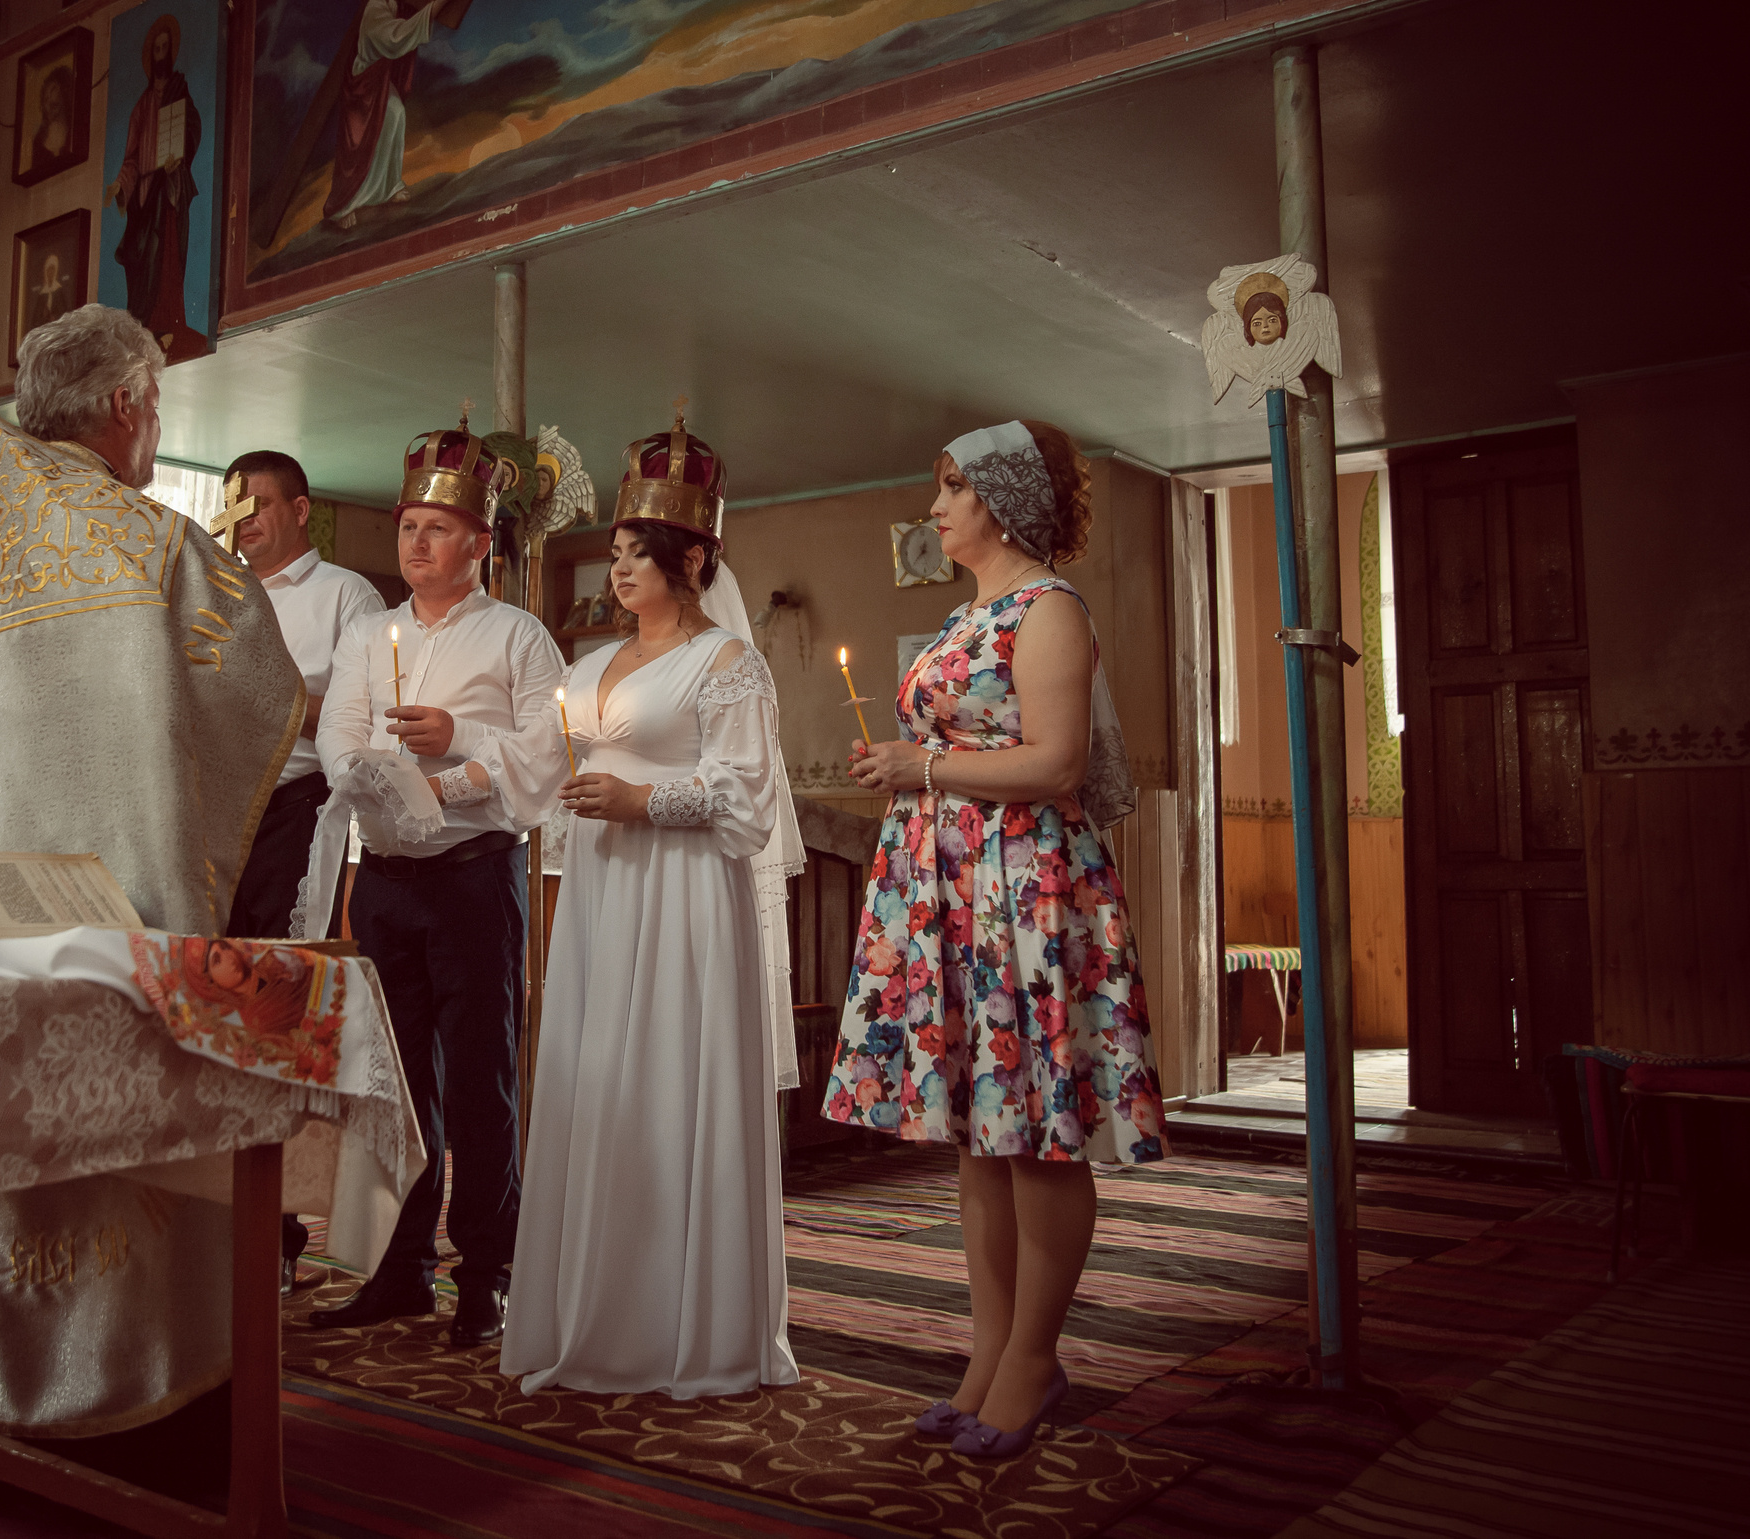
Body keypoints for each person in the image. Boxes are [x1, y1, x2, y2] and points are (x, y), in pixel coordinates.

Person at [0, 302, 306, 1445]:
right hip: (117, 935)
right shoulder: (156, 545)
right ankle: (128, 1398)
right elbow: (262, 692)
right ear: (127, 406)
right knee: (122, 1152)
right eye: (157, 405)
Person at [823, 418, 1163, 1460]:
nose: (934, 510)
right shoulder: (962, 617)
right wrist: (902, 766)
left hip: (1022, 887)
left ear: (1004, 501)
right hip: (949, 882)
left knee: (1039, 1130)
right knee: (980, 1133)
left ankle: (1032, 1359)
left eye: (951, 488)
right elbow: (957, 748)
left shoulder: (1049, 610)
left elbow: (1057, 765)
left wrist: (919, 767)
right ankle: (987, 1350)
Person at [503, 418, 800, 1397]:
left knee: (672, 1080)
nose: (621, 568)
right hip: (600, 894)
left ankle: (690, 1326)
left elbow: (748, 799)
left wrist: (642, 800)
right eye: (617, 552)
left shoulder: (726, 665)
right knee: (602, 1086)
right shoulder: (587, 671)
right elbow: (541, 768)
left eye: (640, 553)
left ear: (694, 557)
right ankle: (593, 1303)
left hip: (682, 901)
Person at [311, 417, 567, 1346]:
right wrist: (369, 775)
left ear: (480, 543)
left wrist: (452, 756)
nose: (417, 542)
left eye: (438, 528)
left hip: (472, 878)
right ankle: (401, 1266)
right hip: (382, 877)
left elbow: (548, 750)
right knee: (394, 1078)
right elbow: (341, 732)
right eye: (408, 526)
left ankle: (486, 1273)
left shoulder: (518, 637)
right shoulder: (367, 634)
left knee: (481, 1084)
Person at [221, 445, 385, 1289]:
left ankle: (277, 1235)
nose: (244, 522)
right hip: (214, 808)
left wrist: (273, 697)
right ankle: (213, 1217)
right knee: (210, 1000)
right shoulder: (217, 589)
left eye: (258, 506)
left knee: (272, 1002)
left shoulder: (344, 596)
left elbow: (365, 713)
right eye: (234, 507)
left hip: (297, 802)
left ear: (301, 509)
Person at [324, 0, 458, 231]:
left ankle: (388, 185)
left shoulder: (400, 3)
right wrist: (440, 2)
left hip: (379, 80)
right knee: (359, 143)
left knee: (396, 113)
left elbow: (420, 11)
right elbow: (395, 37)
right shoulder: (376, 8)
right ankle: (344, 204)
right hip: (363, 85)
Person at [110, 14, 203, 358]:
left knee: (167, 256)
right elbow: (131, 157)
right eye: (157, 49)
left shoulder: (180, 90)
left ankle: (168, 323)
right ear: (151, 57)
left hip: (170, 188)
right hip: (145, 195)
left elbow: (191, 127)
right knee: (142, 260)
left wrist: (181, 154)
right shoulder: (140, 106)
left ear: (171, 53)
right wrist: (121, 186)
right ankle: (144, 327)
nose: (162, 53)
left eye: (167, 48)